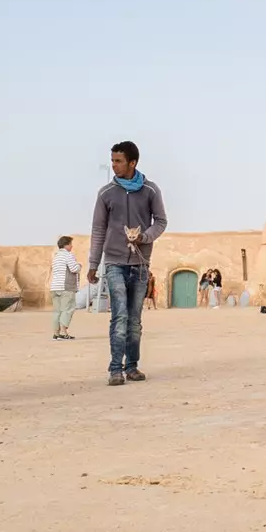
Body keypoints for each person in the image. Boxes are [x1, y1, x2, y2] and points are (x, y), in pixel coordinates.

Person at [87, 140, 168, 386]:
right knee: (119, 316)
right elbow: (98, 229)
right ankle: (115, 369)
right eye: (112, 160)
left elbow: (161, 221)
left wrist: (145, 236)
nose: (114, 166)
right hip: (113, 262)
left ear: (132, 162)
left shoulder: (150, 191)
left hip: (141, 264)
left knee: (134, 319)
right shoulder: (106, 193)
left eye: (118, 161)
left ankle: (132, 366)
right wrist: (93, 263)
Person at [49, 236, 81, 340]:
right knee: (68, 309)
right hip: (66, 287)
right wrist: (79, 265)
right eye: (71, 244)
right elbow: (74, 268)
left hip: (55, 287)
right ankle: (63, 332)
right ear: (66, 245)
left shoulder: (56, 256)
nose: (72, 246)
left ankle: (56, 333)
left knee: (57, 311)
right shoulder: (68, 255)